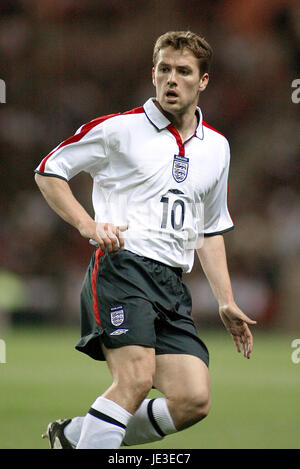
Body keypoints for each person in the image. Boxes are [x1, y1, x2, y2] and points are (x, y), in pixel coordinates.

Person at [35, 30, 256, 449]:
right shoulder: (119, 130)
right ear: (153, 75)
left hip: (171, 283)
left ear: (203, 80)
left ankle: (76, 437)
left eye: (184, 71)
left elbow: (208, 229)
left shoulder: (218, 148)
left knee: (193, 399)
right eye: (164, 70)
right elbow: (49, 170)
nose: (172, 79)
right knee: (134, 379)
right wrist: (88, 225)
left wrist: (225, 300)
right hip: (123, 268)